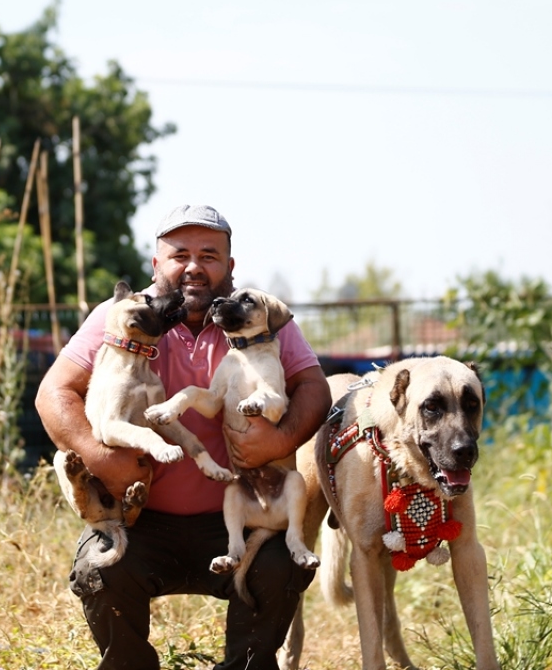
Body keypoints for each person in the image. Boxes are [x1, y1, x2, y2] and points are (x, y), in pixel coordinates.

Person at [36, 204, 331, 670]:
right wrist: (100, 457)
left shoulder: (260, 320)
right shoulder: (122, 315)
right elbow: (54, 391)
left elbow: (313, 387)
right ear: (157, 264)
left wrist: (281, 441)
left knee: (281, 567)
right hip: (142, 519)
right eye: (180, 254)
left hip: (240, 517)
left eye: (210, 255)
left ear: (229, 267)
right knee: (100, 571)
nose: (194, 266)